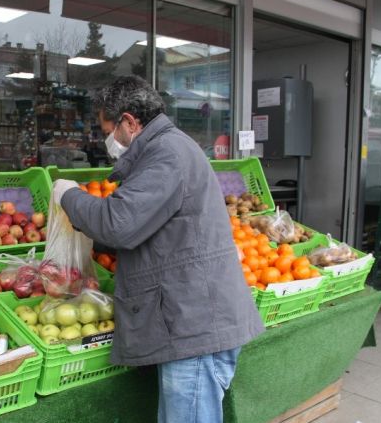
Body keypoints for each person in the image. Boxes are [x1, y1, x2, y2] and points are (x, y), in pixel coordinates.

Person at [51, 75, 265, 423]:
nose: (105, 141)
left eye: (106, 130)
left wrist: (70, 197)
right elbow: (143, 225)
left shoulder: (167, 154)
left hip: (195, 325)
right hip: (190, 317)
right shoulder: (165, 148)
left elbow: (120, 222)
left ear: (130, 122)